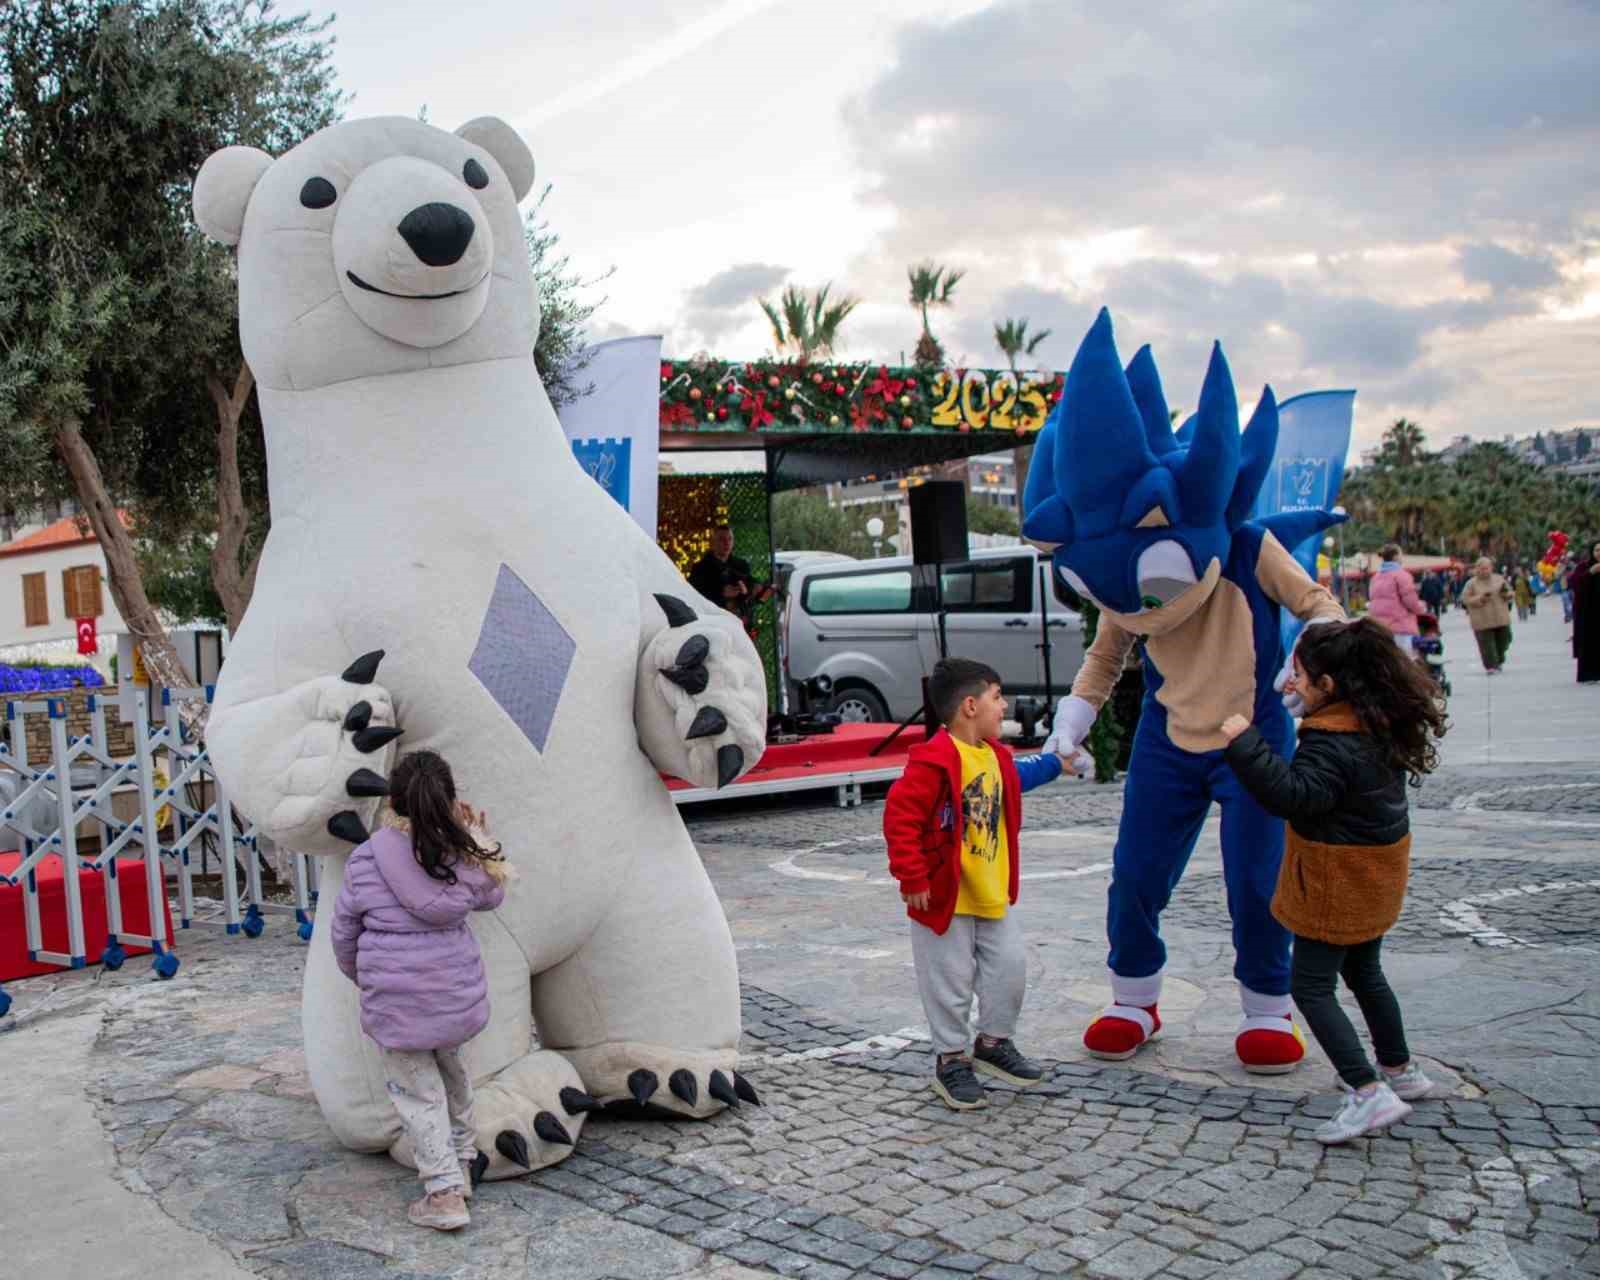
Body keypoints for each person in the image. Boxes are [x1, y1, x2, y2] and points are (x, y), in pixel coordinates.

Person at [1219, 618, 1447, 1144]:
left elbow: (1294, 797)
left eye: (1300, 675)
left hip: (1335, 879)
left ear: (1332, 685)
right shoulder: (1377, 721)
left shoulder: (1330, 740)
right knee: (1366, 971)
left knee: (1311, 985)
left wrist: (1244, 744)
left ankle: (1367, 1092)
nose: (1290, 684)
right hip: (1376, 875)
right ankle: (1400, 1069)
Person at [883, 657, 1078, 1111]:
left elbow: (1018, 778)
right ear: (970, 705)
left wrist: (1054, 764)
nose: (1003, 705)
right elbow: (901, 818)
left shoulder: (995, 755)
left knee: (1010, 972)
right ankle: (951, 1060)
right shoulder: (933, 761)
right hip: (945, 898)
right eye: (997, 697)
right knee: (949, 984)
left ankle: (993, 1044)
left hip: (992, 894)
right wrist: (912, 876)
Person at [331, 750, 511, 1231]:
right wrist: (478, 840)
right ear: (449, 800)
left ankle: (444, 1194)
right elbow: (493, 896)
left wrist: (365, 978)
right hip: (453, 995)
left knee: (418, 1094)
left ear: (393, 800)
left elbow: (344, 933)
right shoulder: (459, 854)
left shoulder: (366, 858)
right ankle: (464, 1162)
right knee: (454, 1078)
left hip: (396, 999)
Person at [687, 524, 773, 630]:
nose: (727, 543)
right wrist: (721, 593)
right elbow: (693, 595)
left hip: (740, 623)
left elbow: (750, 590)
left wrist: (757, 589)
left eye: (730, 539)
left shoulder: (741, 565)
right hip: (713, 623)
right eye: (722, 539)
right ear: (712, 543)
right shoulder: (701, 568)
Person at [1367, 543, 1425, 651]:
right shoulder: (1401, 575)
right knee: (1406, 661)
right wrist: (1421, 608)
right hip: (1400, 627)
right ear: (1395, 556)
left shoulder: (1375, 578)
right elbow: (1411, 602)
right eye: (1401, 554)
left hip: (1380, 629)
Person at [1460, 557, 1514, 673]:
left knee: (1506, 639)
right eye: (1482, 569)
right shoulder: (1471, 583)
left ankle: (1499, 660)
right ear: (1477, 569)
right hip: (1482, 619)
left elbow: (1510, 592)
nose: (1485, 571)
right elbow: (1465, 599)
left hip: (1500, 617)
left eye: (1487, 568)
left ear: (1491, 568)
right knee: (1487, 645)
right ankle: (1491, 666)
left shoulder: (1499, 579)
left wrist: (1507, 594)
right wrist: (1480, 598)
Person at [1574, 542, 1600, 684]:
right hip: (1588, 613)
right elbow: (1574, 583)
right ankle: (1589, 675)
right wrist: (1590, 572)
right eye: (1597, 550)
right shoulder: (1584, 566)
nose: (1599, 553)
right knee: (1589, 643)